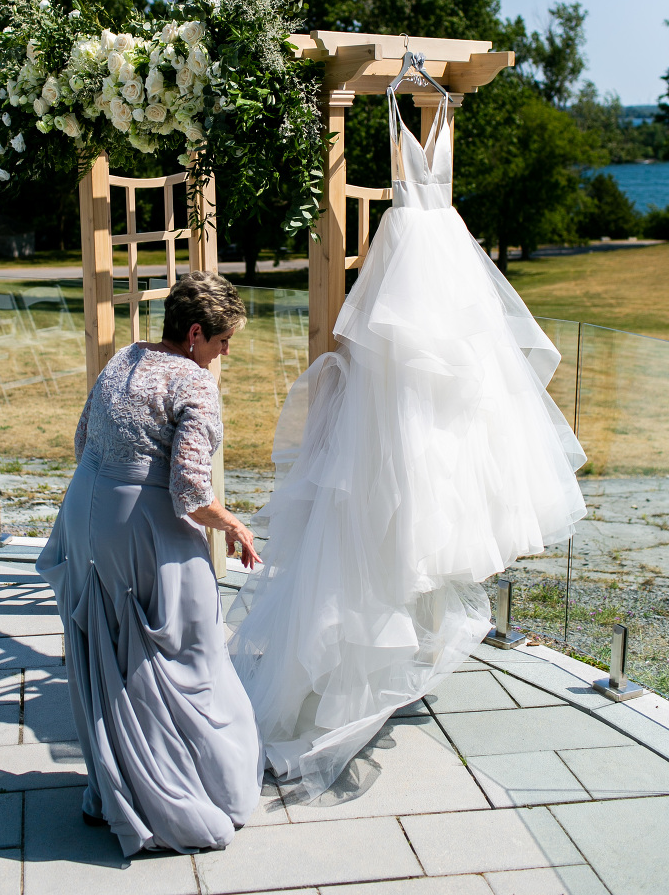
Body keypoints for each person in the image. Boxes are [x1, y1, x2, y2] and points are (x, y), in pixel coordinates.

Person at [228, 87, 587, 799]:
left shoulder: (430, 112)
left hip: (430, 275)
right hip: (433, 273)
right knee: (407, 423)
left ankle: (398, 635)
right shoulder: (405, 108)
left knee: (439, 422)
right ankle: (379, 649)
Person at [37, 271, 263, 857]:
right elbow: (190, 491)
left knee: (109, 646)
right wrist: (234, 523)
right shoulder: (194, 381)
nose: (225, 353)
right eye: (222, 341)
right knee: (181, 649)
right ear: (194, 334)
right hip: (142, 526)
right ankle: (171, 798)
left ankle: (114, 788)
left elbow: (83, 437)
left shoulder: (124, 358)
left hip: (86, 512)